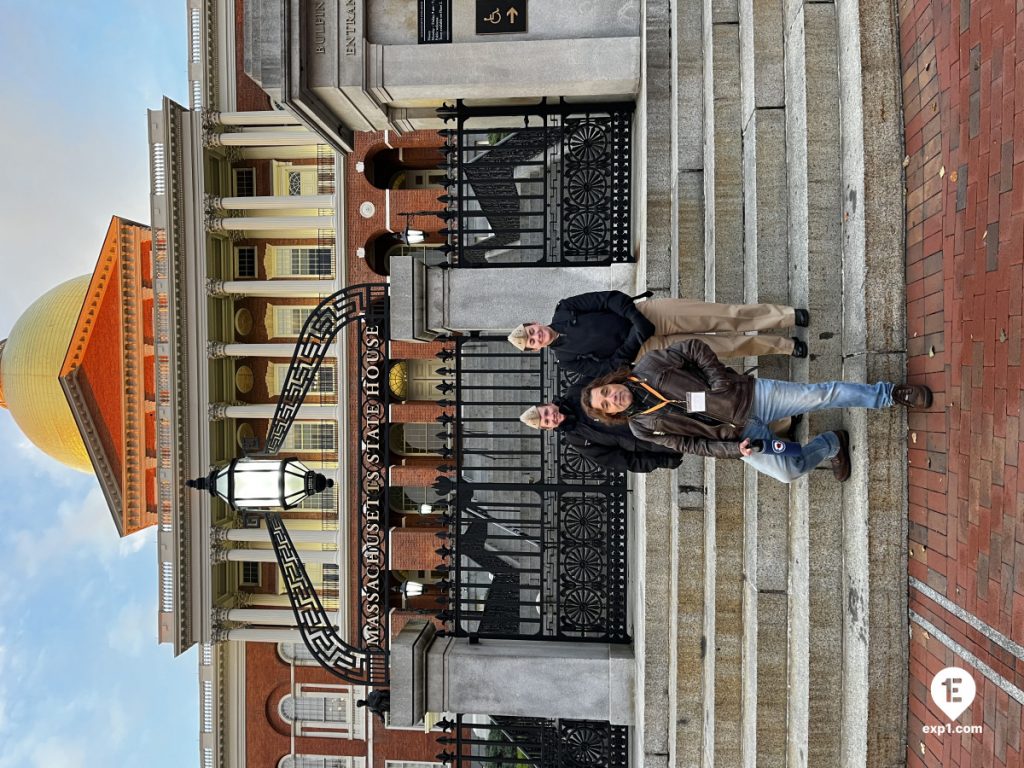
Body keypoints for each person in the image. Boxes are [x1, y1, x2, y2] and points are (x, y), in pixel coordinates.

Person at [579, 339, 932, 484]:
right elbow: (692, 446)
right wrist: (735, 450)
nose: (613, 399)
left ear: (612, 381)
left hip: (751, 398)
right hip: (742, 436)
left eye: (607, 392)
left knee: (821, 394)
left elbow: (694, 348)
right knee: (789, 471)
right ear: (609, 415)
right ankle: (831, 444)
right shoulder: (642, 428)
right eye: (606, 405)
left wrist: (720, 382)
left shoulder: (650, 365)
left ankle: (888, 395)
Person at [506, 290, 810, 379]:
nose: (537, 336)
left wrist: (636, 319)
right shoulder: (567, 359)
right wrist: (636, 339)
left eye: (531, 331)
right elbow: (610, 367)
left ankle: (784, 316)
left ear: (534, 322)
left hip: (650, 315)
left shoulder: (565, 309)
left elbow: (608, 299)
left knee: (724, 314)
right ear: (534, 350)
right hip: (645, 348)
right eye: (532, 342)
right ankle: (784, 346)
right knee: (722, 347)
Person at [519, 384, 683, 473]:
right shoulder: (576, 439)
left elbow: (610, 381)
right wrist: (661, 461)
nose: (551, 417)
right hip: (657, 439)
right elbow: (617, 460)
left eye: (546, 412)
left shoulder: (576, 392)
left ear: (549, 404)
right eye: (546, 421)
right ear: (548, 428)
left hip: (653, 405)